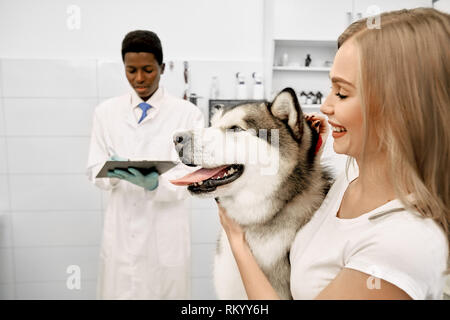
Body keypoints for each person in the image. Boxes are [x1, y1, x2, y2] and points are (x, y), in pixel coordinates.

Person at [216, 8, 449, 300]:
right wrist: (304, 154)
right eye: (330, 87)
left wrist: (238, 239)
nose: (325, 106)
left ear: (400, 110)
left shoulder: (401, 242)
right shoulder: (352, 179)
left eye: (341, 93)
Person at [86, 30, 204, 299]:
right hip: (121, 233)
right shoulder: (106, 113)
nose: (139, 78)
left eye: (148, 70)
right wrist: (113, 173)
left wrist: (156, 183)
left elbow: (193, 175)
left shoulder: (188, 115)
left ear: (162, 68)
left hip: (166, 231)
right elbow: (94, 169)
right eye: (131, 70)